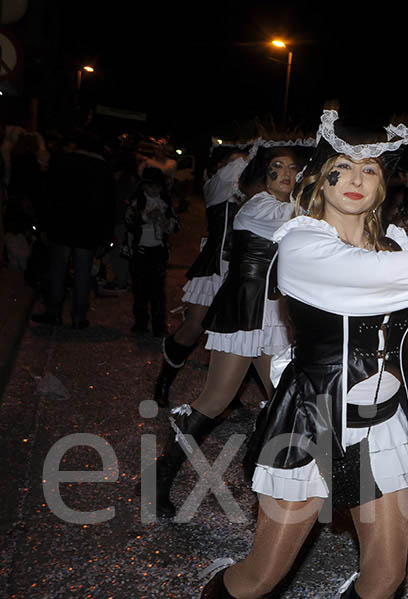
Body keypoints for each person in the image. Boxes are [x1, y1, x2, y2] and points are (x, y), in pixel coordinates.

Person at [199, 110, 408, 599]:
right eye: (344, 167)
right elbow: (366, 277)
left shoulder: (397, 243)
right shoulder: (302, 240)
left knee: (385, 578)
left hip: (379, 424)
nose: (357, 179)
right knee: (261, 577)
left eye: (371, 169)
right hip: (312, 419)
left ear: (384, 182)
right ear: (323, 178)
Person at [140, 138, 307, 518]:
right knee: (215, 400)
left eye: (292, 169)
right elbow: (300, 225)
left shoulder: (288, 207)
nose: (284, 175)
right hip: (242, 312)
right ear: (261, 174)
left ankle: (256, 477)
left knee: (283, 398)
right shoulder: (259, 207)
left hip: (272, 316)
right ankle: (159, 476)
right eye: (276, 168)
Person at [151, 144, 249, 406]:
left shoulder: (251, 188)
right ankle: (164, 380)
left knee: (234, 335)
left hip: (244, 271)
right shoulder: (217, 185)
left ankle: (227, 391)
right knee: (194, 327)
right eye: (234, 161)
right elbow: (237, 172)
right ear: (220, 166)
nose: (242, 164)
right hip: (215, 266)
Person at [31, 130, 115, 328]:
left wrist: (43, 224)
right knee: (83, 273)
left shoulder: (62, 161)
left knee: (57, 270)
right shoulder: (103, 168)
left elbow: (47, 194)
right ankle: (79, 316)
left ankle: (54, 312)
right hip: (88, 228)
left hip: (61, 225)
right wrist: (105, 236)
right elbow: (109, 205)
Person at [122, 167, 179, 336]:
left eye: (157, 187)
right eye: (150, 186)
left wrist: (165, 223)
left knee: (157, 291)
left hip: (158, 252)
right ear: (144, 186)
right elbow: (128, 221)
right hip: (139, 251)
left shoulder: (165, 203)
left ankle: (158, 325)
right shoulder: (137, 201)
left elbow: (176, 227)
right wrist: (146, 217)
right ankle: (140, 323)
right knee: (139, 290)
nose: (154, 190)